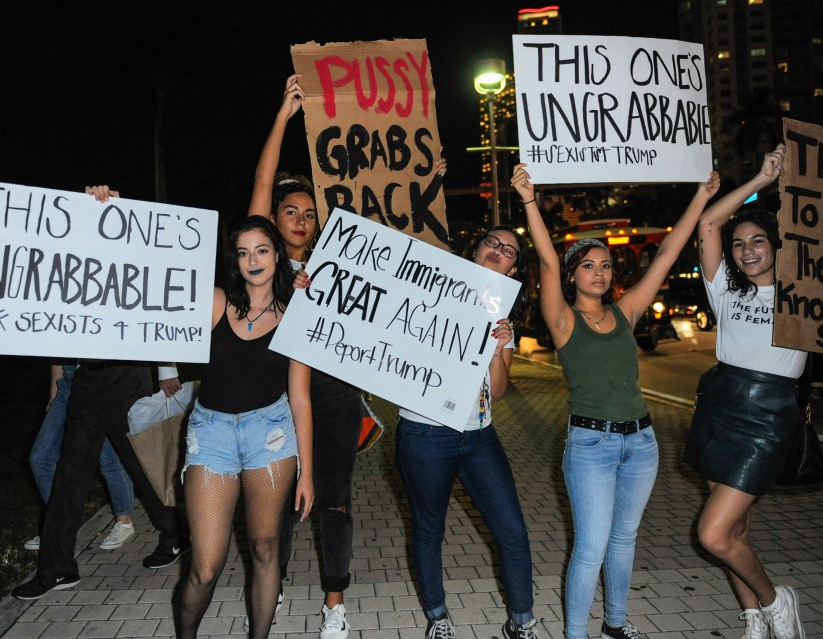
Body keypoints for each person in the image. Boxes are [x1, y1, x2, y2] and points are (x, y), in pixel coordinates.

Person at [512, 162, 720, 639]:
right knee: (590, 547)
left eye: (606, 265)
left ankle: (616, 624)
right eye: (589, 265)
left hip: (642, 443)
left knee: (624, 540)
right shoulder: (563, 321)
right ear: (571, 275)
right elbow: (545, 260)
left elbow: (667, 254)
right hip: (590, 446)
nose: (600, 272)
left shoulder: (625, 312)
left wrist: (701, 196)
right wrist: (529, 199)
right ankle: (575, 635)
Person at [11, 185, 188, 601]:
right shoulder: (73, 258)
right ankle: (57, 568)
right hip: (87, 377)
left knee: (140, 464)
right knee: (70, 473)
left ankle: (176, 535)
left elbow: (155, 298)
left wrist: (166, 369)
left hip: (126, 375)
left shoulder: (128, 252)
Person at [245, 73, 363, 639]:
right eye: (290, 211)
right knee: (283, 496)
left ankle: (335, 602)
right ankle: (278, 579)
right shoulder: (263, 265)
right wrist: (282, 118)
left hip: (333, 395)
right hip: (276, 397)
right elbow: (261, 185)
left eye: (308, 213)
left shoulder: (333, 271)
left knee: (333, 499)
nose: (299, 219)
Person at [684, 144, 806, 639]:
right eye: (740, 244)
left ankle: (778, 601)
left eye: (758, 241)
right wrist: (760, 178)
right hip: (720, 407)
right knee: (736, 532)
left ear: (777, 246)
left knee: (712, 534)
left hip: (767, 418)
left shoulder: (803, 297)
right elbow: (708, 223)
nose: (747, 250)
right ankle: (754, 618)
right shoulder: (726, 290)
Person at [393, 226, 539, 639]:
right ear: (474, 248)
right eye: (492, 243)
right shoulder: (430, 292)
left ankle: (522, 621)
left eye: (509, 251)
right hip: (425, 435)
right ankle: (438, 617)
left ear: (513, 269)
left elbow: (501, 391)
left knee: (512, 531)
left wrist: (498, 348)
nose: (499, 251)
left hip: (478, 437)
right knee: (429, 529)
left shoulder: (504, 320)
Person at [177, 215, 314, 639]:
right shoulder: (217, 301)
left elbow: (301, 398)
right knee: (204, 567)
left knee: (265, 547)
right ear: (234, 260)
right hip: (211, 434)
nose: (253, 260)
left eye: (261, 250)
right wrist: (105, 213)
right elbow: (152, 278)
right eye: (243, 252)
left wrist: (307, 472)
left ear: (278, 254)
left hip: (270, 436)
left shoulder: (297, 314)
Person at [25, 362, 137, 552]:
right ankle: (60, 527)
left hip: (98, 382)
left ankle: (124, 521)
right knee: (41, 458)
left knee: (108, 457)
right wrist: (54, 391)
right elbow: (58, 351)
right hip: (67, 385)